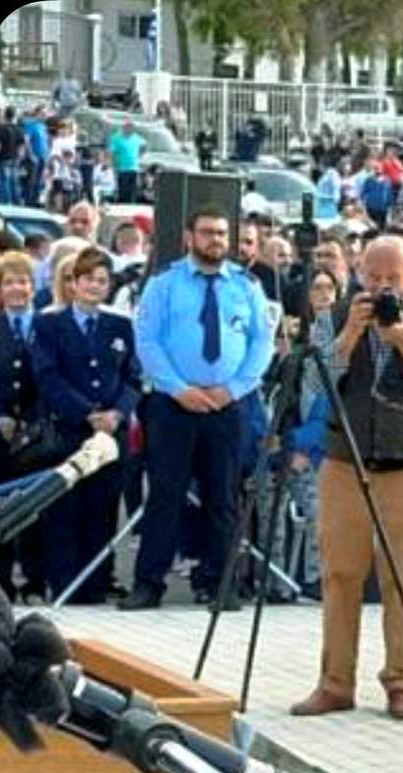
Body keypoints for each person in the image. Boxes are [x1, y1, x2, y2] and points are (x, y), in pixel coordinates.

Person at [290, 237, 403, 721]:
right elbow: (313, 385)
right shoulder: (336, 316)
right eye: (373, 278)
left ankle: (400, 683)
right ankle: (335, 683)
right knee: (340, 575)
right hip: (346, 460)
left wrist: (402, 338)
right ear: (359, 274)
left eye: (392, 280)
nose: (382, 288)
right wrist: (349, 337)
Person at [121, 206, 274, 611]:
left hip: (227, 406)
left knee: (223, 497)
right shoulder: (164, 284)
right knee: (165, 495)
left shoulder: (246, 286)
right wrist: (178, 388)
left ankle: (219, 583)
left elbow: (262, 343)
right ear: (190, 237)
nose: (216, 240)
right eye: (207, 232)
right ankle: (149, 583)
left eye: (222, 233)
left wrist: (234, 389)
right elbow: (148, 342)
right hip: (173, 405)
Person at [28, 249, 137, 604]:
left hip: (110, 434)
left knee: (102, 509)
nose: (95, 286)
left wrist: (117, 413)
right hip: (68, 430)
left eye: (102, 280)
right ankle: (65, 584)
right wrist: (87, 413)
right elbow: (47, 376)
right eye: (88, 279)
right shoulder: (49, 324)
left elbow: (133, 376)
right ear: (73, 283)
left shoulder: (120, 326)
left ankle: (97, 582)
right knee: (64, 509)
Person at [0, 252, 45, 597]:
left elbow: (53, 378)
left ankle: (36, 581)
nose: (16, 289)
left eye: (22, 281)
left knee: (35, 505)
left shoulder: (48, 327)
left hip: (37, 433)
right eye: (8, 282)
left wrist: (32, 420)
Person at [108, 121, 147, 204]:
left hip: (134, 168)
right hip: (122, 169)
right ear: (123, 127)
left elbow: (144, 145)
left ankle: (131, 206)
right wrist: (113, 164)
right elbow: (111, 152)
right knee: (123, 191)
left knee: (133, 191)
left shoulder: (136, 138)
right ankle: (122, 205)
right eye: (128, 127)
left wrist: (140, 156)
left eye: (131, 127)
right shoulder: (116, 138)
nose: (130, 129)